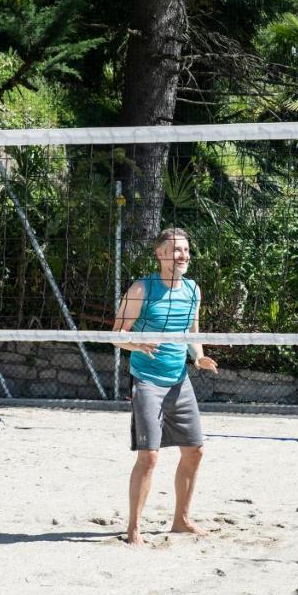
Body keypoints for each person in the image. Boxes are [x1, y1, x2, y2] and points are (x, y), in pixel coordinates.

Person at [111, 227, 217, 546]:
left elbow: (191, 333)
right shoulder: (141, 289)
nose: (182, 255)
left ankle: (181, 520)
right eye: (175, 250)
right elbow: (116, 335)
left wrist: (198, 357)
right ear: (160, 254)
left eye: (186, 250)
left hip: (179, 379)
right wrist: (137, 344)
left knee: (195, 450)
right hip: (146, 381)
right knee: (149, 457)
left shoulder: (193, 290)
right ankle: (134, 528)